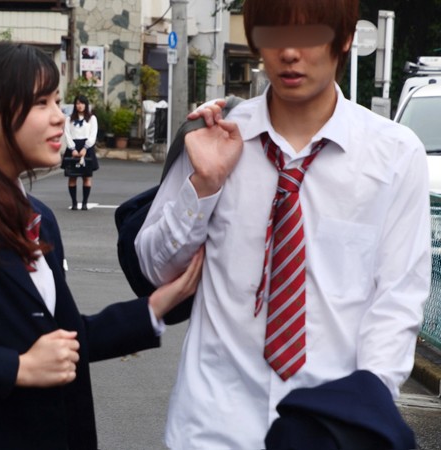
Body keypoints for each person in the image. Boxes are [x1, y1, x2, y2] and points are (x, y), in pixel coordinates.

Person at [0, 41, 204, 450]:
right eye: (41, 103)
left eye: (57, 101)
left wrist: (156, 306)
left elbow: (61, 339)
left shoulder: (38, 216)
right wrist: (17, 367)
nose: (59, 116)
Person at [134, 0, 431, 448]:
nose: (289, 52)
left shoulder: (394, 156)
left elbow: (396, 301)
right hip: (210, 426)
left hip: (328, 430)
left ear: (344, 39)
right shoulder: (215, 136)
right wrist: (204, 184)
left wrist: (363, 413)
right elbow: (156, 269)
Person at [63, 95, 99, 210]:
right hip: (73, 147)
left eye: (82, 103)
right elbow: (67, 134)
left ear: (86, 105)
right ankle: (74, 202)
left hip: (87, 148)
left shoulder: (92, 118)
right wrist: (72, 149)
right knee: (72, 176)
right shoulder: (69, 119)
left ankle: (84, 203)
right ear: (75, 105)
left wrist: (85, 148)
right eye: (78, 103)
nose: (80, 106)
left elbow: (93, 134)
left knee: (86, 177)